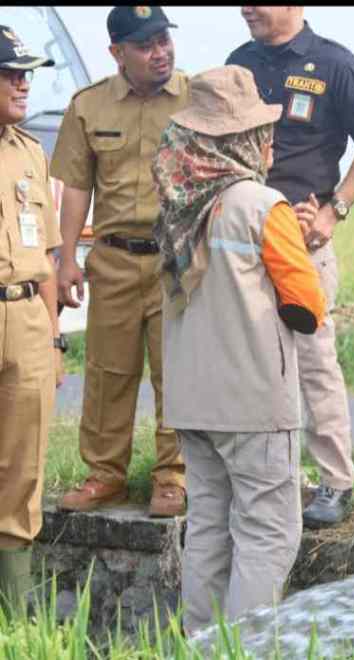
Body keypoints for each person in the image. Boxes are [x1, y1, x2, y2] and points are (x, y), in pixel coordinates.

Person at [152, 65, 327, 634]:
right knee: (267, 530)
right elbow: (307, 306)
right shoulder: (261, 205)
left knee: (207, 525)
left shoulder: (177, 202)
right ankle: (247, 649)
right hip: (252, 404)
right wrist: (298, 240)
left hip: (191, 401)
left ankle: (199, 642)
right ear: (244, 139)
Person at [227, 6, 354, 529]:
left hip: (301, 242)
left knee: (314, 362)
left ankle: (336, 482)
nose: (246, 8)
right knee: (250, 364)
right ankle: (268, 477)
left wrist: (334, 208)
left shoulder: (334, 65)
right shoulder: (239, 63)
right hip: (243, 240)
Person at [52, 6, 188, 518]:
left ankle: (172, 478)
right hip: (111, 261)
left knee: (177, 373)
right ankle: (104, 475)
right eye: (146, 44)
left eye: (164, 40)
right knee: (108, 372)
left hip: (176, 261)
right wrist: (68, 259)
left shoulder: (196, 99)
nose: (161, 52)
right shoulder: (88, 106)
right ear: (117, 54)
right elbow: (75, 187)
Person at [0, 25, 63, 615]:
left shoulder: (30, 152)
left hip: (24, 318)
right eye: (10, 73)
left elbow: (45, 255)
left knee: (23, 472)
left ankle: (13, 620)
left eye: (26, 73)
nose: (23, 84)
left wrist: (53, 339)